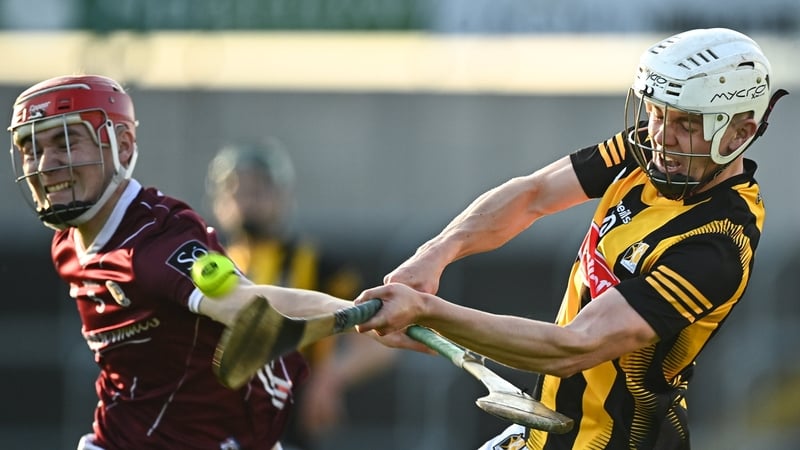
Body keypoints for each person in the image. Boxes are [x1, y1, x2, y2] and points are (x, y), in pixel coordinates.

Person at [353, 28, 789, 449]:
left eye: (688, 124)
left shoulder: (718, 244)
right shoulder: (646, 154)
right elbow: (533, 195)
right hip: (545, 434)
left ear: (741, 132)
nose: (662, 137)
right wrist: (434, 256)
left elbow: (573, 347)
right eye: (657, 113)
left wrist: (428, 311)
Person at [7, 74, 369, 450]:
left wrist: (372, 316)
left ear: (123, 147)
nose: (45, 164)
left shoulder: (157, 245)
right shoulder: (67, 243)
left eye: (66, 141)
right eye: (31, 148)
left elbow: (249, 303)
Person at [205, 140, 395, 449]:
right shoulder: (212, 264)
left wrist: (331, 376)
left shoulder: (320, 265)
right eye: (236, 190)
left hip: (290, 420)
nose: (246, 200)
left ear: (282, 196)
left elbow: (382, 342)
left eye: (258, 190)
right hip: (219, 419)